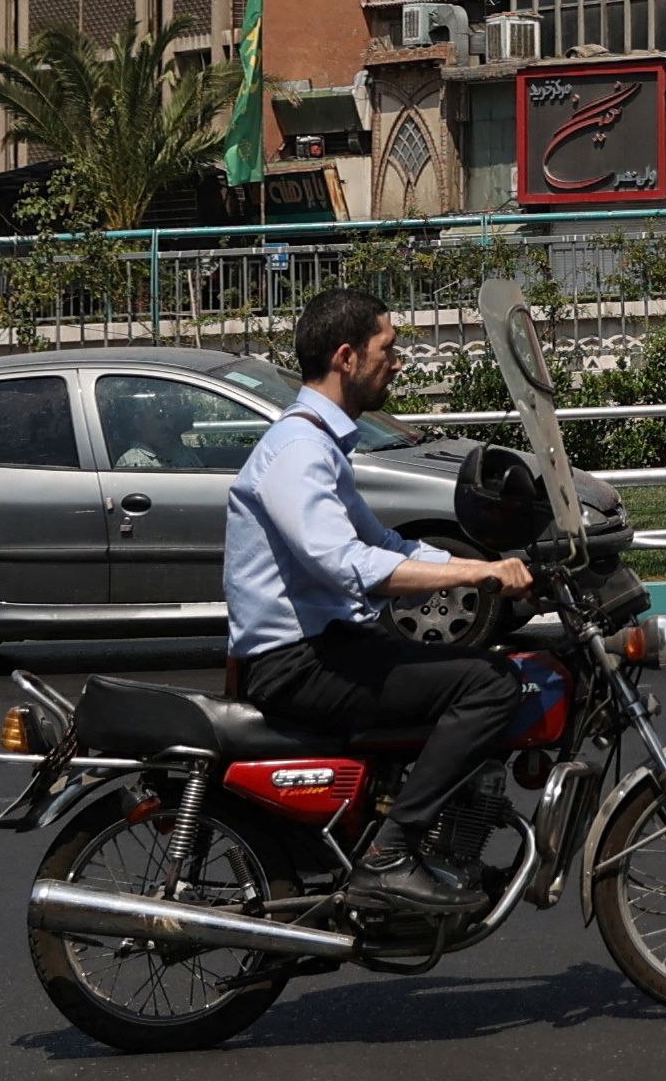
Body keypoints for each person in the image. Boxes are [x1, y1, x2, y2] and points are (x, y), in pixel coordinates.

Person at [225, 289, 532, 927]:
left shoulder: (320, 444)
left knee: (474, 664)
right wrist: (477, 572)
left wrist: (485, 567)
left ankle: (407, 830)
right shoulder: (297, 451)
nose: (398, 363)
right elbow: (344, 562)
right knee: (489, 685)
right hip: (298, 662)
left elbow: (381, 543)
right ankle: (391, 856)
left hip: (325, 648)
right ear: (346, 357)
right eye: (387, 349)